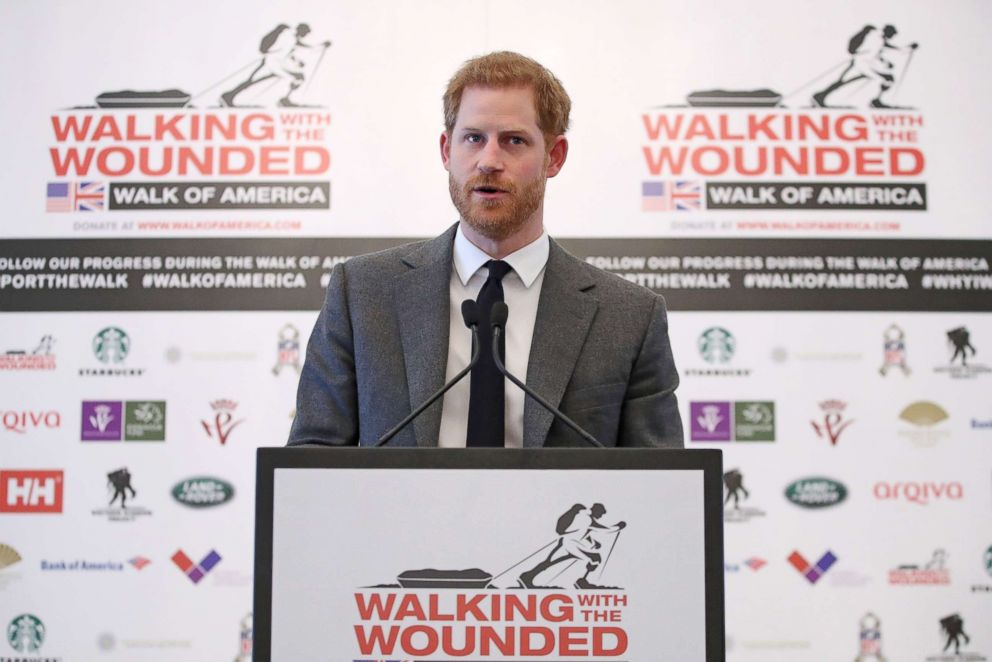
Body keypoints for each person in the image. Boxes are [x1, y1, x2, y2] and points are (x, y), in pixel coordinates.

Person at [288, 51, 682, 448]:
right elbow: (310, 466)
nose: (489, 161)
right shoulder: (362, 293)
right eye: (473, 138)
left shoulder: (629, 317)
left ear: (554, 157)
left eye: (514, 141)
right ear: (446, 150)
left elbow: (659, 487)